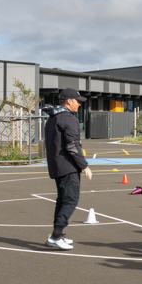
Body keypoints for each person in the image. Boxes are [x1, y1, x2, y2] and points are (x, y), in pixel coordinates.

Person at [41, 88, 92, 250]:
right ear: (69, 101)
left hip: (56, 165)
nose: (79, 105)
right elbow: (72, 145)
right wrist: (84, 165)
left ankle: (57, 234)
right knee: (70, 200)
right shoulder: (68, 119)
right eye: (77, 101)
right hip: (68, 166)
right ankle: (56, 235)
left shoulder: (53, 117)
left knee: (62, 200)